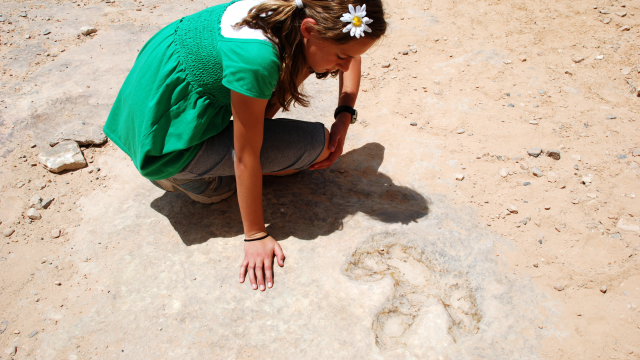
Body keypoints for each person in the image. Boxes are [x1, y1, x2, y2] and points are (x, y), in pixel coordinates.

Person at [103, 0, 387, 291]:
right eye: (341, 57)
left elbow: (352, 50)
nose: (345, 65)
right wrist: (255, 235)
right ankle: (194, 179)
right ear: (309, 29)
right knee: (320, 145)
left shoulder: (294, 9)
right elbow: (245, 154)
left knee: (297, 69)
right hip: (169, 146)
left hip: (148, 115)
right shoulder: (258, 59)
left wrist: (344, 113)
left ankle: (195, 159)